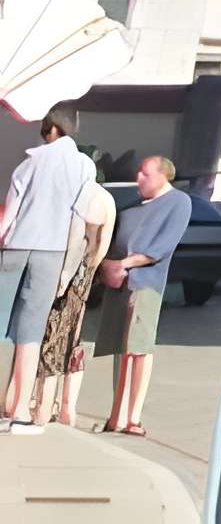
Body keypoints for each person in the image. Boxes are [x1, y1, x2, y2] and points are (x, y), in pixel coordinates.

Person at [0, 117, 97, 433]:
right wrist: (68, 270)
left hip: (16, 246)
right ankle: (19, 412)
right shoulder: (84, 166)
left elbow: (10, 213)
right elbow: (80, 219)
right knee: (30, 333)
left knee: (1, 324)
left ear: (51, 129)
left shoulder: (29, 163)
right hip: (52, 251)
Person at [97, 157, 185, 436]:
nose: (139, 178)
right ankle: (116, 416)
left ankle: (132, 417)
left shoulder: (178, 202)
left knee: (138, 348)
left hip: (144, 284)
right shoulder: (133, 207)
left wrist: (123, 264)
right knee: (121, 349)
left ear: (163, 175)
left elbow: (160, 248)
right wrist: (106, 267)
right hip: (119, 284)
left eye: (145, 174)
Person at [34, 168, 111, 425]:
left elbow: (75, 242)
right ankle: (68, 408)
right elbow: (101, 246)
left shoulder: (83, 197)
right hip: (85, 280)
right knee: (74, 342)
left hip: (68, 279)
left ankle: (44, 407)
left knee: (52, 342)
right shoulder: (107, 199)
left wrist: (63, 279)